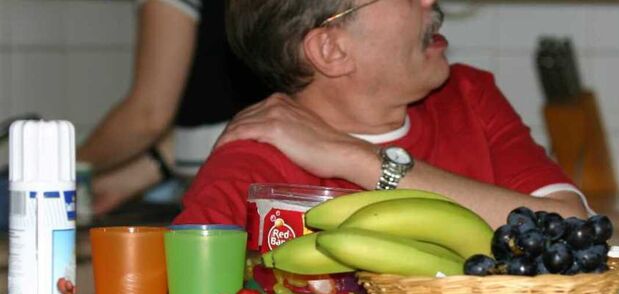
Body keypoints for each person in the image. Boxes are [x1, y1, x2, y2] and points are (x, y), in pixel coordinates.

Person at [173, 0, 588, 228]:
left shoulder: (468, 97)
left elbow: (575, 229)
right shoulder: (249, 165)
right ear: (331, 50)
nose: (429, 2)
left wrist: (360, 161)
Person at [77, 0, 268, 215]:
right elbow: (220, 108)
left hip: (235, 190)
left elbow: (148, 116)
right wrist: (132, 177)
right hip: (254, 180)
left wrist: (63, 168)